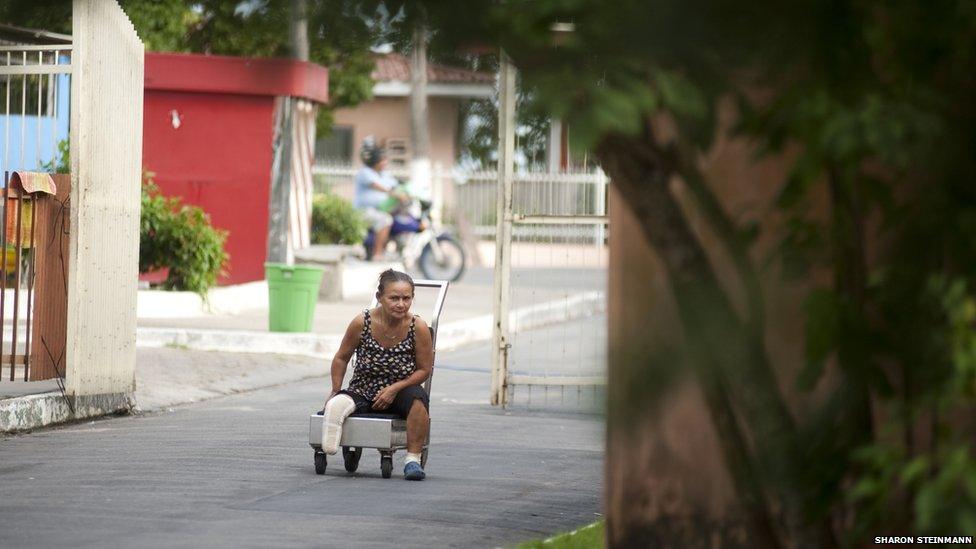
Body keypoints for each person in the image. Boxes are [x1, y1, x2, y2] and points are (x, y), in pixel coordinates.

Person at [320, 269, 434, 480]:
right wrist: (335, 390)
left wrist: (394, 389)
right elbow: (341, 358)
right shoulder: (361, 322)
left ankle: (412, 460)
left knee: (419, 401)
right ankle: (329, 445)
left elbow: (424, 369)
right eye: (394, 298)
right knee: (336, 405)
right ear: (380, 297)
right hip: (363, 387)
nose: (401, 304)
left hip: (402, 388)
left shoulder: (417, 327)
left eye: (406, 298)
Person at [353, 138, 402, 260]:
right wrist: (393, 193)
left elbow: (396, 184)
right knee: (385, 220)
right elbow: (379, 186)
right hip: (364, 211)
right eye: (382, 160)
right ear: (375, 161)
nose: (385, 163)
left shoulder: (384, 174)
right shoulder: (365, 172)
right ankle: (378, 254)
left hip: (379, 209)